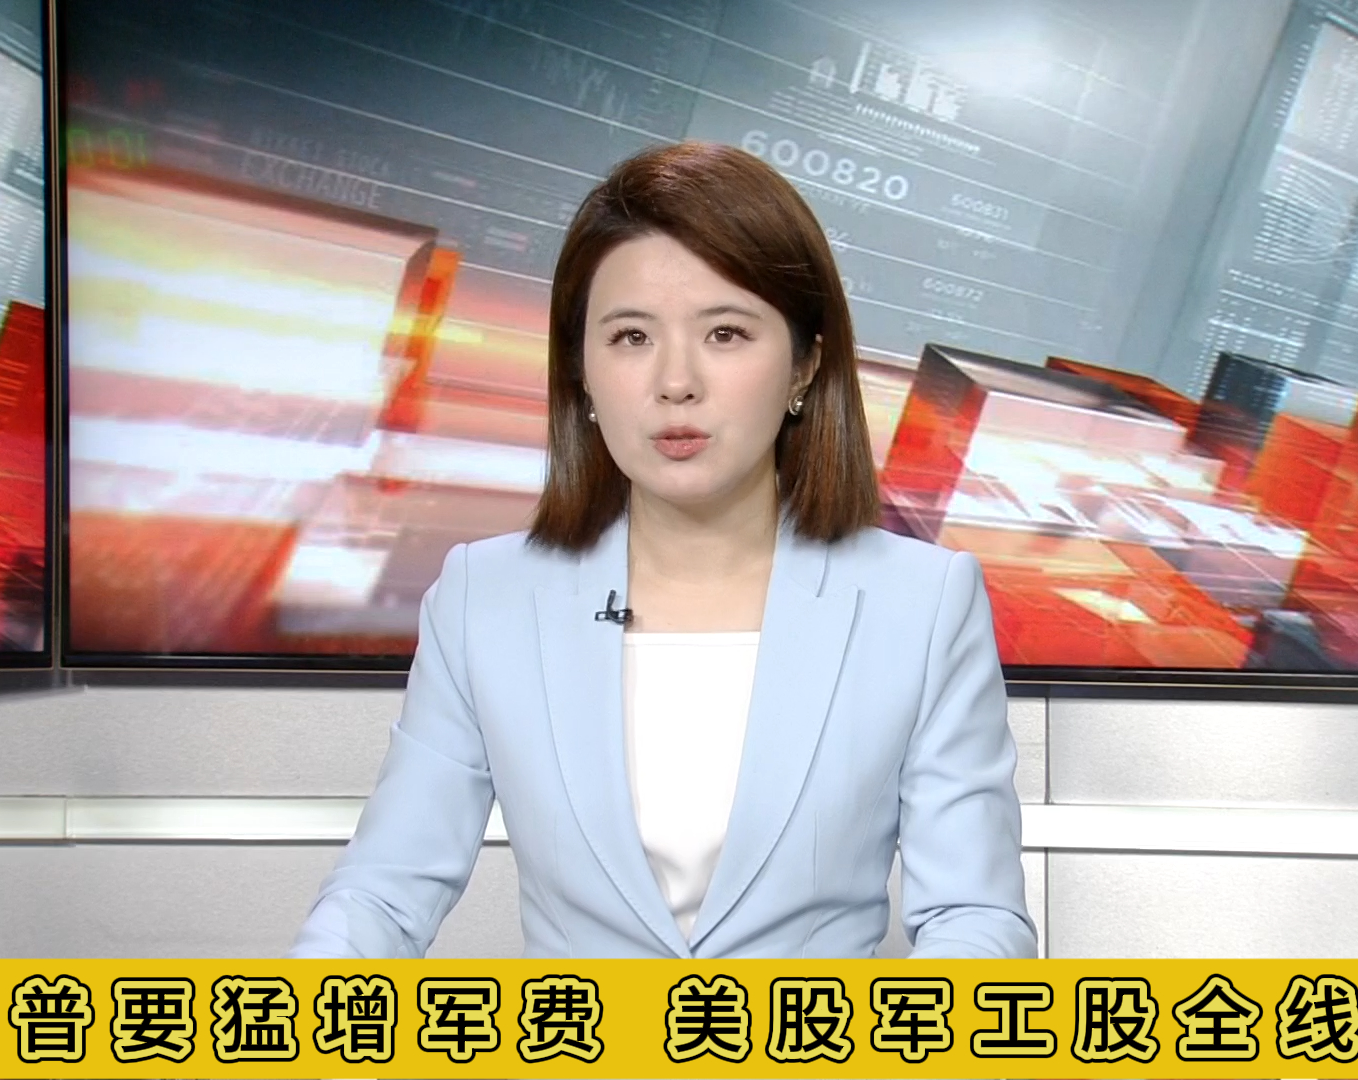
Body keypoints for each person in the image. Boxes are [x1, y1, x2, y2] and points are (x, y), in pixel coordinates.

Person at [289, 141, 1034, 959]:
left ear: (805, 366)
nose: (676, 382)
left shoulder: (921, 604)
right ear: (581, 371)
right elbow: (382, 894)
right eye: (632, 337)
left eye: (726, 333)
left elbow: (975, 918)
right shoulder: (485, 597)